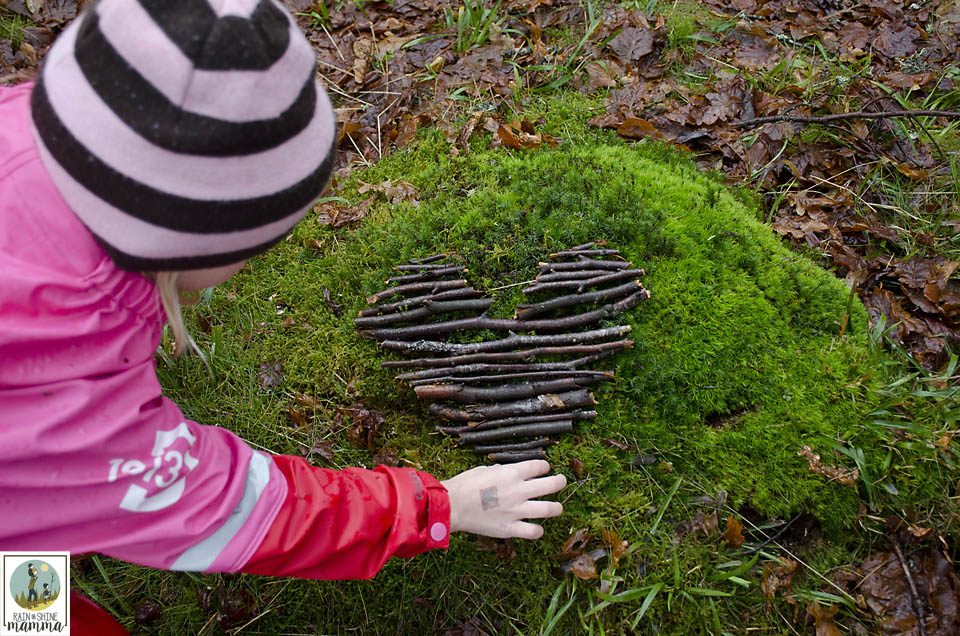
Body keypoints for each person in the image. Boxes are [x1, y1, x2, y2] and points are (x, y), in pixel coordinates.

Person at [0, 0, 567, 632]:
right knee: (42, 617)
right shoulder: (75, 415)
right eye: (252, 246)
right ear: (186, 244)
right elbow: (253, 512)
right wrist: (438, 504)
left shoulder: (27, 131)